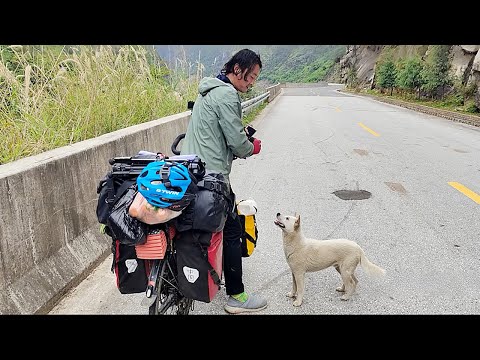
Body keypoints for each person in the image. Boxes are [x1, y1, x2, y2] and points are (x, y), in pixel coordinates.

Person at [180, 48, 267, 314]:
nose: (251, 82)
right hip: (212, 177)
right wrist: (252, 146)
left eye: (254, 78)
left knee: (187, 226)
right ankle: (237, 297)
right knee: (232, 231)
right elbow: (237, 143)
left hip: (187, 171)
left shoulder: (207, 91)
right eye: (250, 76)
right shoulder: (228, 94)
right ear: (237, 69)